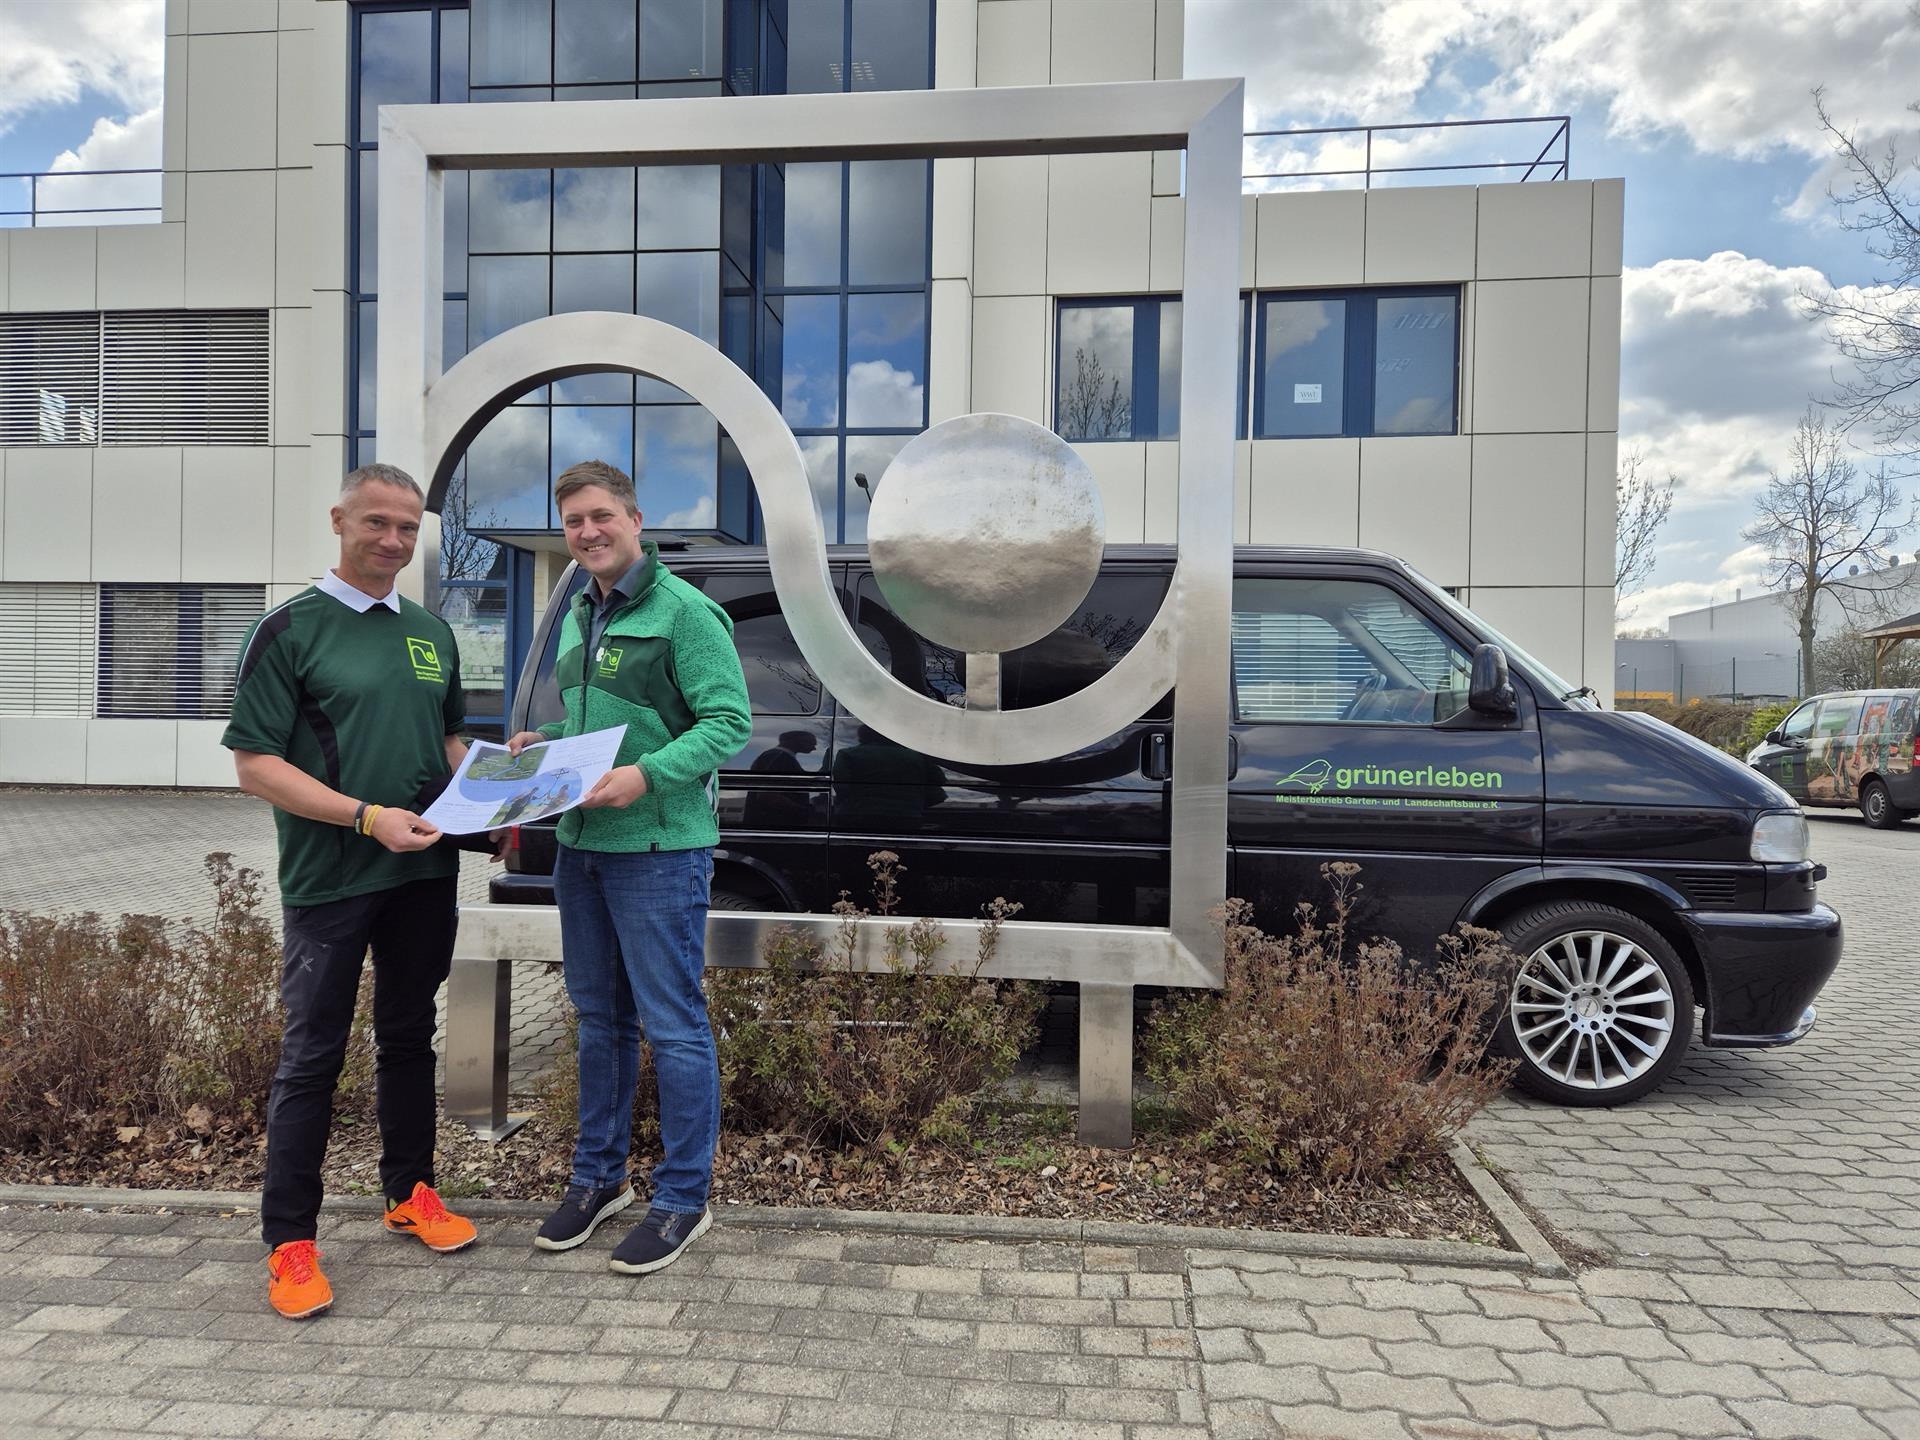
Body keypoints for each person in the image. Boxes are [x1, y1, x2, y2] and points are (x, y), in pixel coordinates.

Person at [224, 463, 479, 1321]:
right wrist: (366, 817)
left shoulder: (431, 632)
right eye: (377, 522)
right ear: (339, 520)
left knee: (408, 1039)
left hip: (423, 875)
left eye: (408, 527)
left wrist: (497, 783)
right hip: (331, 879)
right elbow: (255, 765)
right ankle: (290, 1241)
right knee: (313, 1057)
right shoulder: (289, 628)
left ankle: (410, 1193)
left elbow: (447, 741)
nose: (394, 541)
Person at [508, 459, 750, 1274]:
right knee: (600, 1022)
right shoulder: (582, 611)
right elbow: (601, 728)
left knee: (673, 1026)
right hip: (582, 849)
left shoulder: (686, 613)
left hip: (659, 852)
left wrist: (646, 777)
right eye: (574, 521)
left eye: (601, 516)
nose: (588, 532)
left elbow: (727, 723)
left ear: (635, 520)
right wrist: (544, 745)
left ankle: (684, 1198)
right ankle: (598, 1181)